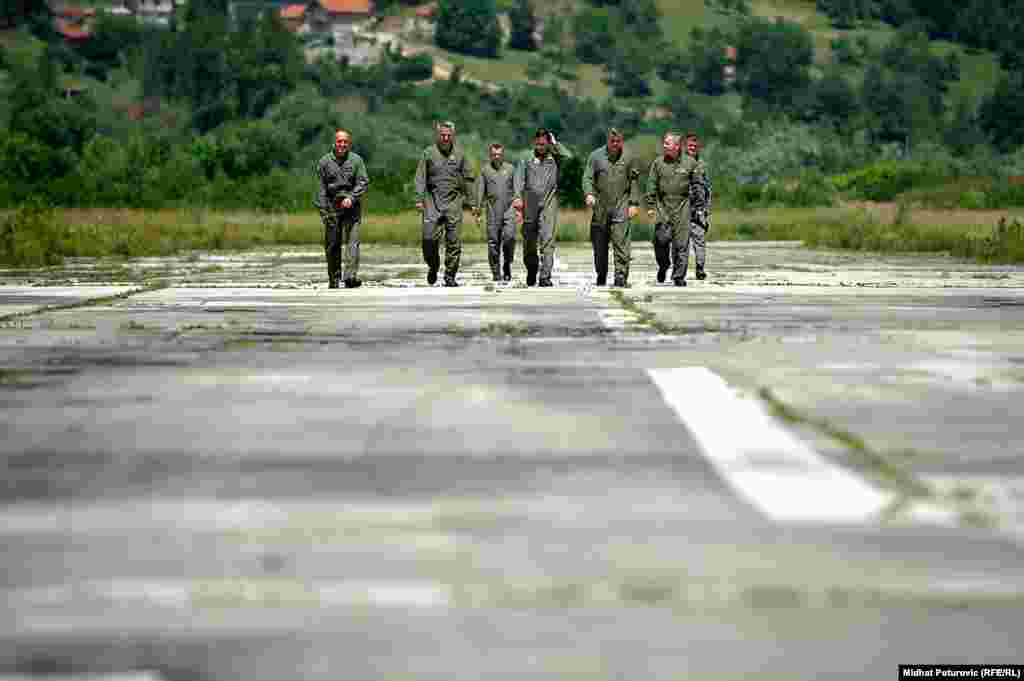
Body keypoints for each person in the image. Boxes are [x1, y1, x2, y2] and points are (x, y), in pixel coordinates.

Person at [414, 121, 476, 287]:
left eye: (449, 135)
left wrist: (473, 203)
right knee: (428, 239)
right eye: (443, 135)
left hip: (453, 202)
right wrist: (419, 199)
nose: (446, 138)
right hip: (432, 201)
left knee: (454, 242)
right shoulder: (428, 153)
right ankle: (433, 266)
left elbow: (469, 179)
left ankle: (450, 276)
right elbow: (420, 178)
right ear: (438, 135)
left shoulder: (460, 154)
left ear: (453, 136)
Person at [582, 128, 642, 287]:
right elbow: (587, 177)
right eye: (612, 141)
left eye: (618, 141)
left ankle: (620, 275)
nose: (615, 144)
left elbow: (634, 182)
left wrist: (634, 203)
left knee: (621, 242)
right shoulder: (595, 157)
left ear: (622, 141)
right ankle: (601, 274)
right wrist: (588, 193)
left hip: (621, 204)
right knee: (600, 245)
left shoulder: (629, 157)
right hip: (600, 206)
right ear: (607, 141)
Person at [512, 128, 572, 287]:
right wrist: (517, 197)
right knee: (529, 240)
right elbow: (518, 178)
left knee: (547, 239)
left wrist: (555, 143)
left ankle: (545, 276)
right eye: (537, 144)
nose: (540, 147)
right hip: (530, 201)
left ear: (548, 144)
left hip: (549, 202)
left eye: (543, 144)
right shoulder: (526, 157)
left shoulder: (555, 157)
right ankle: (532, 269)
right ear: (534, 143)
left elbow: (569, 157)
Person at [314, 128, 370, 289]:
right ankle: (334, 277)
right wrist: (323, 210)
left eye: (345, 142)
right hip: (332, 206)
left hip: (352, 206)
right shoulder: (324, 162)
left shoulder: (357, 160)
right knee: (332, 243)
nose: (342, 144)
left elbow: (363, 182)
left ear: (349, 144)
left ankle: (350, 277)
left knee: (353, 242)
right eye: (339, 141)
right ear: (334, 142)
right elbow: (321, 189)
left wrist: (351, 198)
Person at [646, 131, 700, 286]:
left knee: (681, 244)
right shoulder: (658, 163)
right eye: (664, 142)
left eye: (667, 143)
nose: (664, 145)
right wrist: (650, 205)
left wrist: (698, 207)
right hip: (664, 207)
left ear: (676, 146)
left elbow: (697, 186)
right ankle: (664, 265)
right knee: (660, 240)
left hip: (683, 207)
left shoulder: (690, 163)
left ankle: (678, 276)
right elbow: (651, 184)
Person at [474, 142, 517, 282]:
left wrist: (520, 207)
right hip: (492, 209)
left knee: (509, 237)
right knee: (493, 242)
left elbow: (517, 189)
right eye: (494, 154)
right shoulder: (485, 170)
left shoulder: (510, 169)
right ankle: (495, 271)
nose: (497, 157)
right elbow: (480, 191)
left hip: (509, 208)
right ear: (490, 155)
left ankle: (507, 264)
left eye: (499, 154)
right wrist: (478, 210)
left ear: (503, 154)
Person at [685, 132, 713, 281]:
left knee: (700, 241)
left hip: (698, 210)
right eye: (690, 145)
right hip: (682, 209)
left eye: (695, 146)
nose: (692, 148)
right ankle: (678, 270)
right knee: (680, 244)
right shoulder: (678, 163)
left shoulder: (702, 165)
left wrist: (707, 209)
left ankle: (700, 268)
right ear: (685, 146)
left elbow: (708, 188)